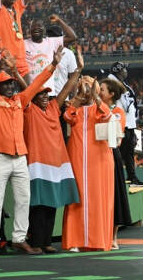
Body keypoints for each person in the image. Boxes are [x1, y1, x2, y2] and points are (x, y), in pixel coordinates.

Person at [0, 37, 59, 257]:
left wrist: (52, 66)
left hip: (19, 158)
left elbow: (36, 85)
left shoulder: (20, 100)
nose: (9, 86)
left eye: (11, 83)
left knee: (23, 200)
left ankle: (18, 239)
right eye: (4, 84)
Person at [23, 49, 83, 253]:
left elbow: (66, 88)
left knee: (52, 203)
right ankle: (36, 241)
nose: (45, 98)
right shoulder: (29, 110)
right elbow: (28, 89)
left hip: (58, 163)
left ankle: (46, 241)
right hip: (38, 164)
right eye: (40, 95)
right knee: (38, 204)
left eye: (47, 95)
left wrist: (77, 72)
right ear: (34, 97)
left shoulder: (53, 108)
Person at [62, 76, 114, 252]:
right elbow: (67, 117)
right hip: (77, 156)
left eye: (88, 87)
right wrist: (77, 99)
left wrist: (96, 98)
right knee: (78, 197)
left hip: (97, 159)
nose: (85, 91)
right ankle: (75, 241)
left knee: (96, 198)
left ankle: (97, 240)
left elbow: (108, 115)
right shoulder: (75, 108)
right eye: (82, 87)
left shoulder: (99, 108)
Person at [98, 78, 131, 250]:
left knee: (115, 195)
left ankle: (113, 236)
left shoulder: (118, 111)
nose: (99, 92)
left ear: (111, 94)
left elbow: (116, 138)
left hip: (111, 154)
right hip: (96, 155)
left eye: (102, 89)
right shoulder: (92, 107)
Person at [108, 62, 143, 185]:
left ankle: (132, 177)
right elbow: (126, 104)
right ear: (118, 71)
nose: (126, 71)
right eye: (124, 69)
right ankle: (116, 179)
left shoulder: (121, 83)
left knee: (128, 153)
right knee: (118, 153)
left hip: (128, 124)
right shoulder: (114, 83)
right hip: (121, 123)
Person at [24, 14, 76, 87]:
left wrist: (59, 21)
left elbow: (72, 37)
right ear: (29, 30)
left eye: (39, 26)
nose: (36, 28)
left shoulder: (51, 42)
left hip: (49, 91)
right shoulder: (23, 44)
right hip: (31, 91)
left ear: (44, 30)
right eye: (33, 26)